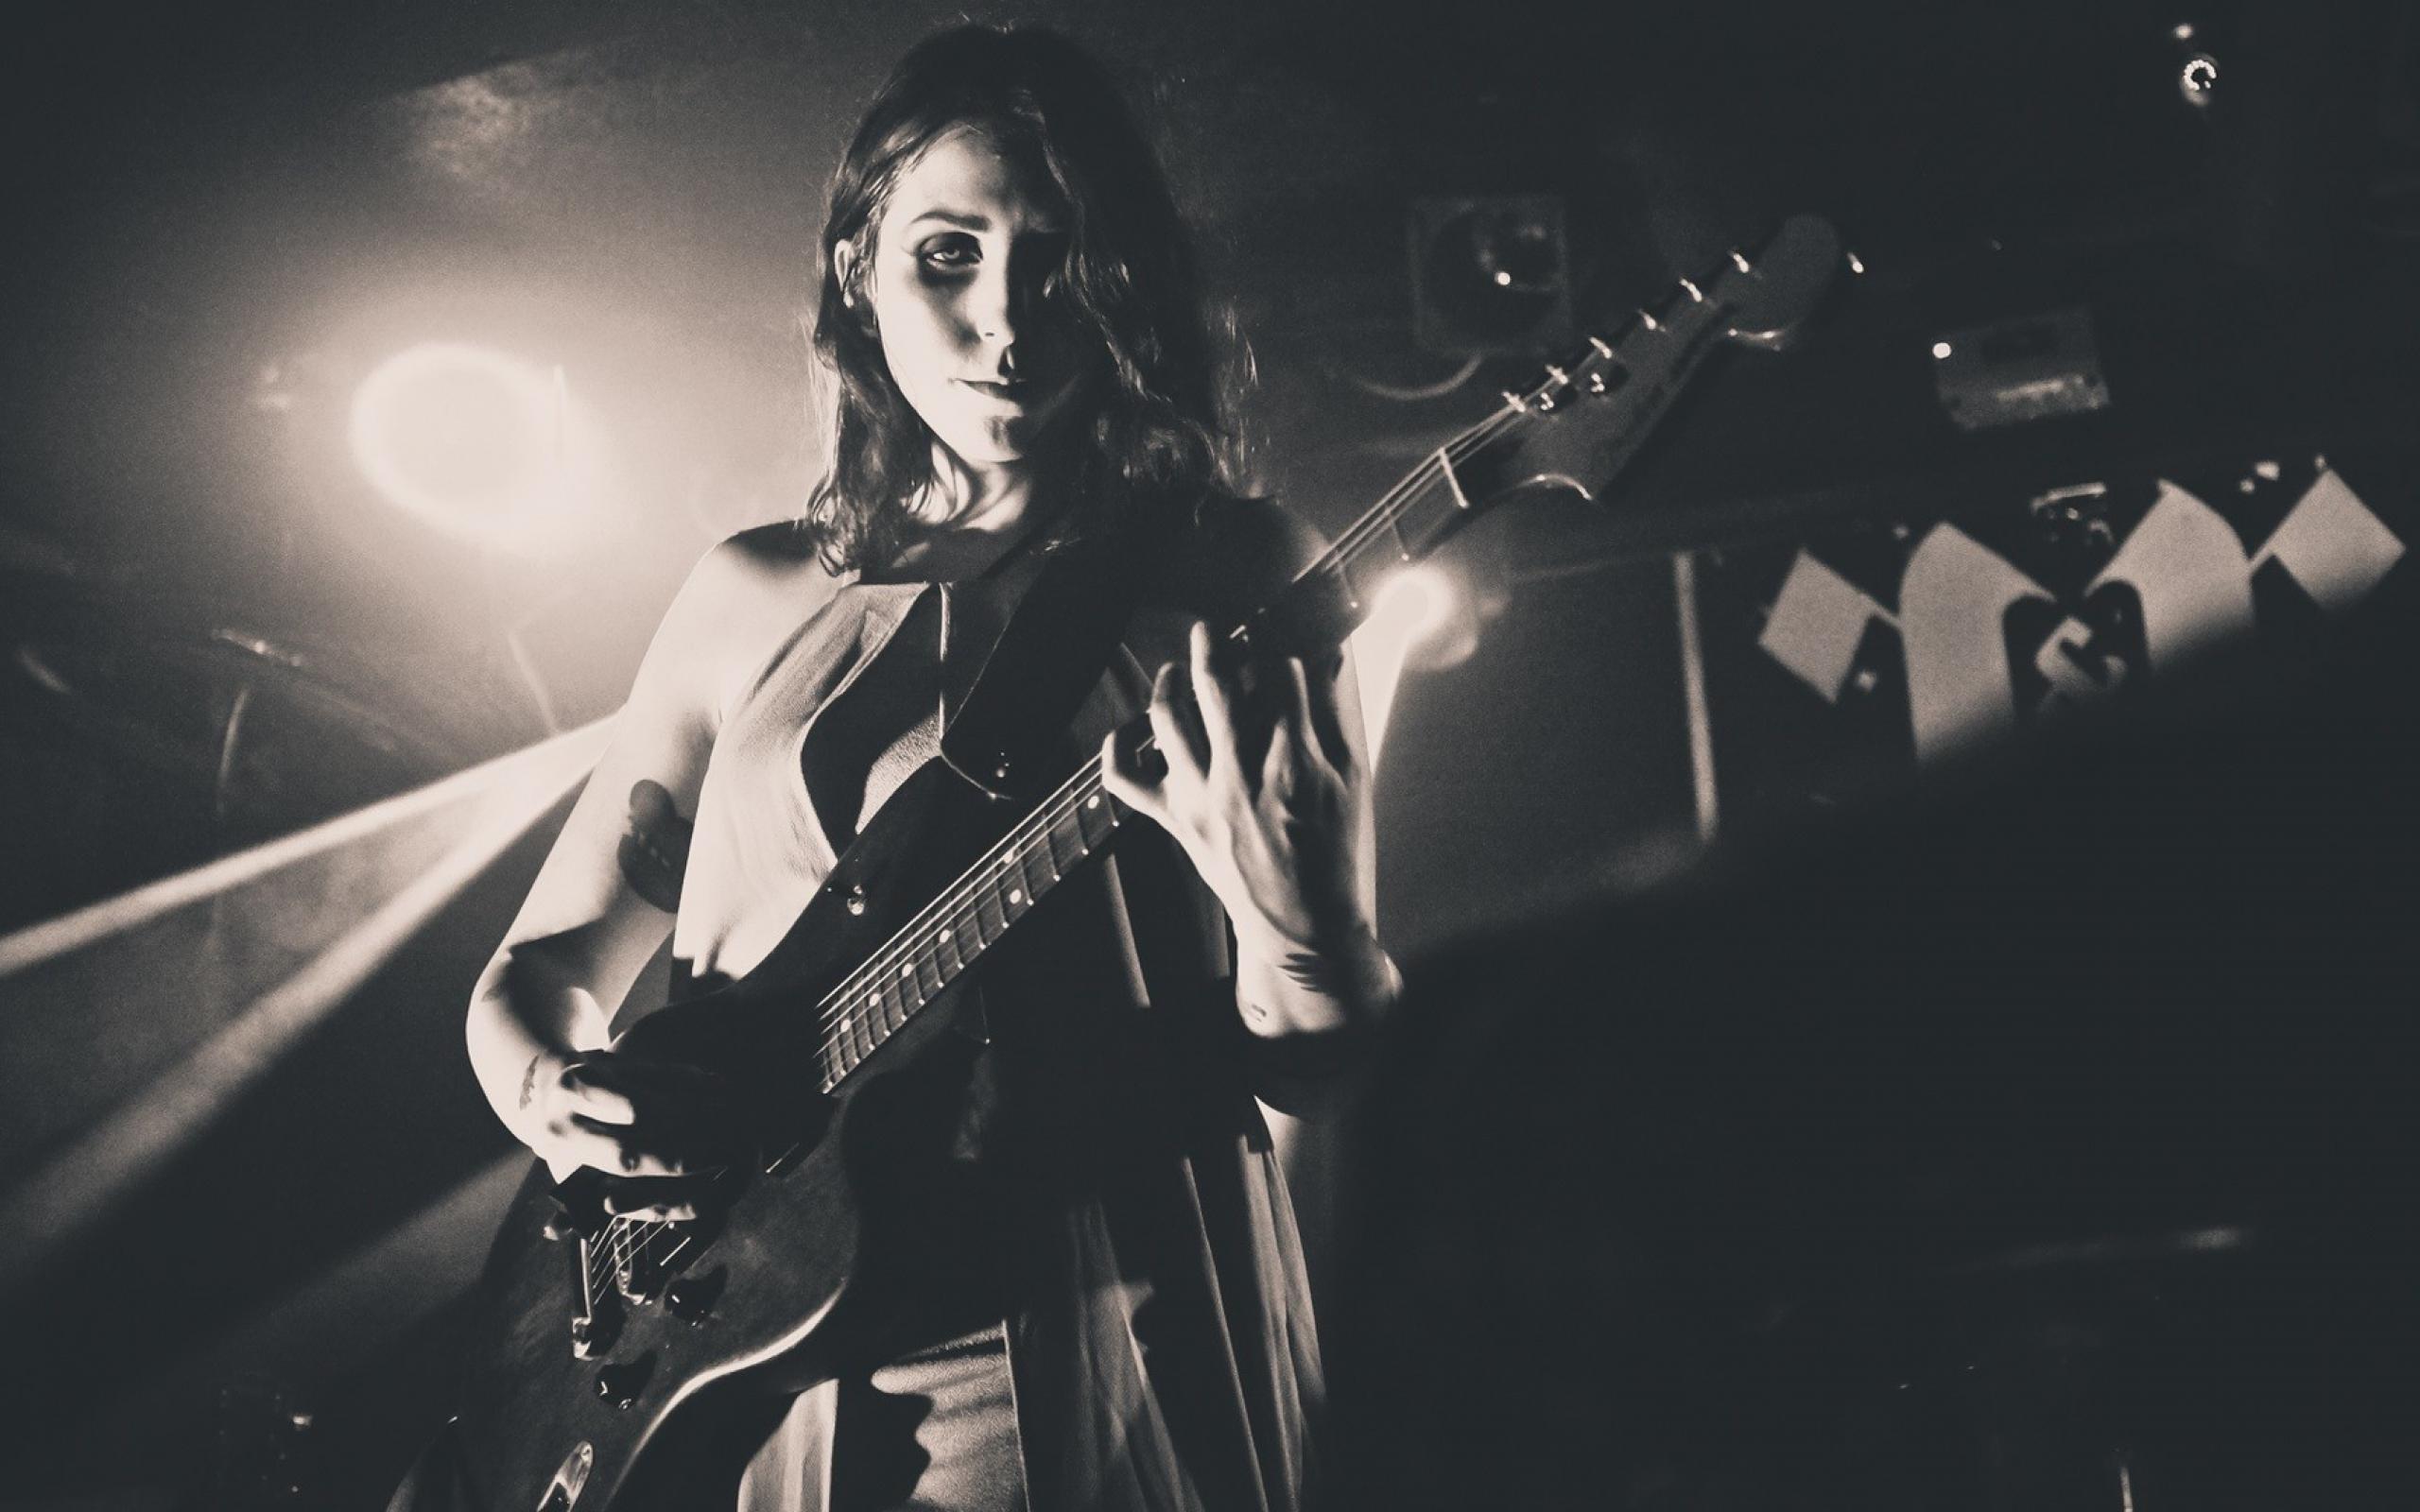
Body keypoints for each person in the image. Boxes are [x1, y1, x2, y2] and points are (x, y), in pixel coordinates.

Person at [459, 24, 1398, 1512]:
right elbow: (542, 964)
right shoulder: (751, 595)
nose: (1007, 321)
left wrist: (1305, 935)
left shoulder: (1237, 578)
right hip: (755, 1339)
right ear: (858, 272)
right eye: (948, 256)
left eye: (1059, 262)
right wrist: (549, 1088)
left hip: (1095, 1312)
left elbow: (1316, 1066)